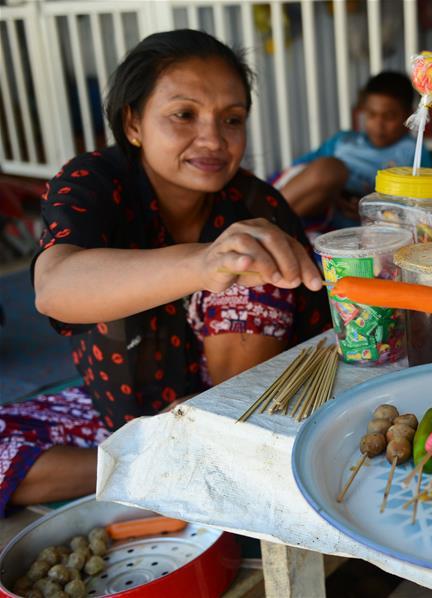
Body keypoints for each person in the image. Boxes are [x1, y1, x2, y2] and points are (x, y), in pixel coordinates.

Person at [0, 29, 329, 515]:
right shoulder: (94, 182)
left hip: (239, 413)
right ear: (133, 123)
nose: (213, 139)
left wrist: (226, 266)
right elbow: (55, 288)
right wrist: (203, 263)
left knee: (251, 263)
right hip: (121, 416)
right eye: (184, 115)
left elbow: (265, 381)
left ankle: (207, 455)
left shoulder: (255, 208)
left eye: (232, 119)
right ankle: (159, 462)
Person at [273, 71, 432, 231]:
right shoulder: (343, 141)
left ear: (409, 115)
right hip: (311, 207)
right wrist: (333, 194)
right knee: (331, 169)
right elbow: (301, 173)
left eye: (389, 116)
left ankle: (276, 225)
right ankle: (270, 217)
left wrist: (371, 210)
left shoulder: (413, 152)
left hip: (363, 229)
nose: (378, 124)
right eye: (371, 114)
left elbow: (424, 206)